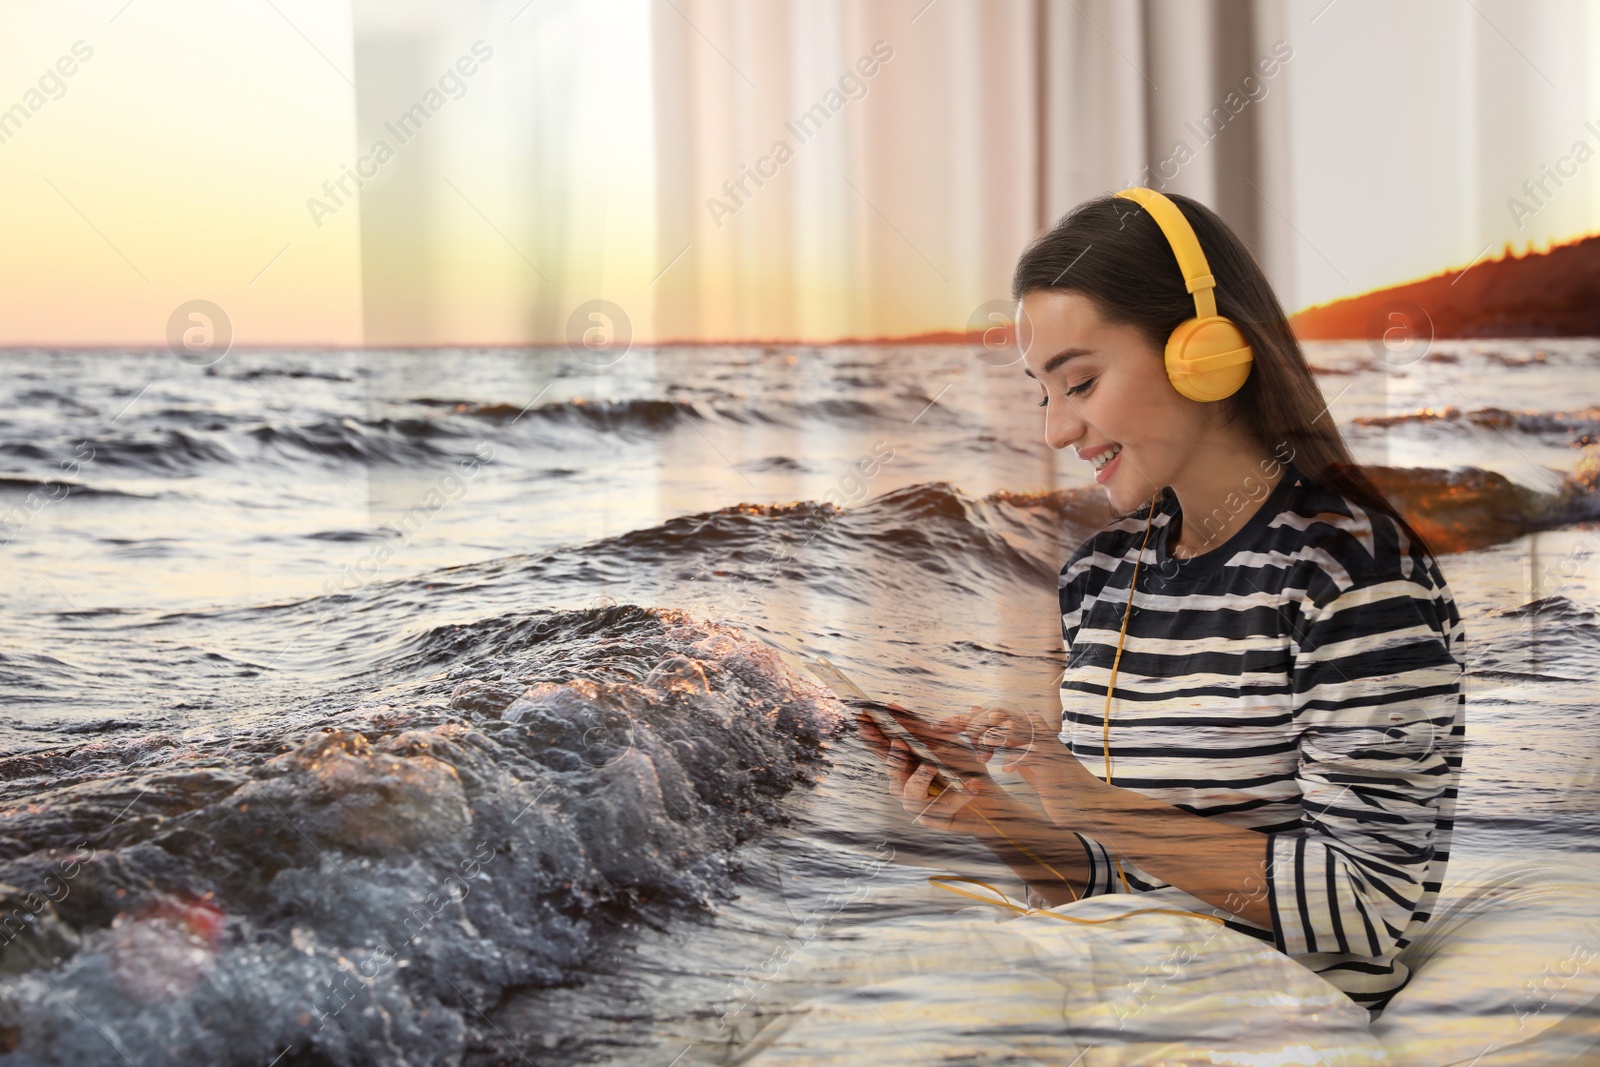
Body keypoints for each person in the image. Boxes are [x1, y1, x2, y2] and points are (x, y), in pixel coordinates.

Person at [864, 189, 1468, 1018]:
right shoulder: (1101, 577)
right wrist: (996, 817)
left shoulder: (1355, 573)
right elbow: (1129, 876)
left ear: (1203, 351)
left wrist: (1098, 803)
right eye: (1044, 392)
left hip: (1272, 1023)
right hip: (1129, 1001)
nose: (1056, 431)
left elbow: (1371, 909)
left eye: (1078, 382)